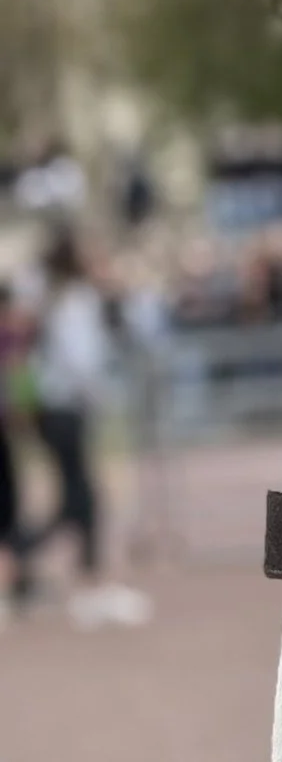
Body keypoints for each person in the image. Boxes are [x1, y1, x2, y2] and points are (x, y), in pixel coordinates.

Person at [13, 233, 145, 625]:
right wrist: (100, 397)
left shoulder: (53, 298)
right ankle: (76, 576)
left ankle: (55, 565)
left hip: (52, 408)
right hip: (66, 407)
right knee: (80, 497)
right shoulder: (74, 300)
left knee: (77, 496)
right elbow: (81, 358)